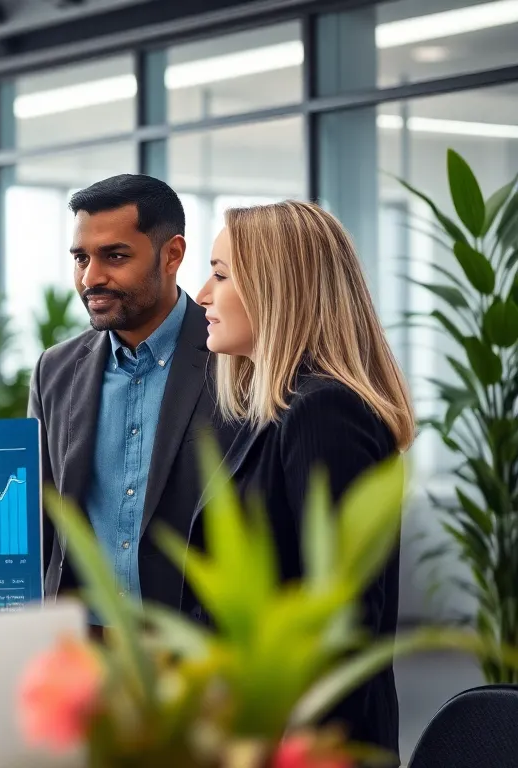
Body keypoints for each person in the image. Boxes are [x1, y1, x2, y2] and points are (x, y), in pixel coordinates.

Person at [192, 200, 414, 762]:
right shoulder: (273, 410)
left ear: (277, 288)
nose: (202, 295)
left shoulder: (325, 411)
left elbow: (342, 622)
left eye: (220, 274)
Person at [29, 173, 233, 620]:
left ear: (172, 255)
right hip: (86, 643)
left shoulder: (234, 358)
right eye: (81, 258)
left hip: (198, 645)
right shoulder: (54, 371)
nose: (90, 277)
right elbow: (43, 520)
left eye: (115, 256)